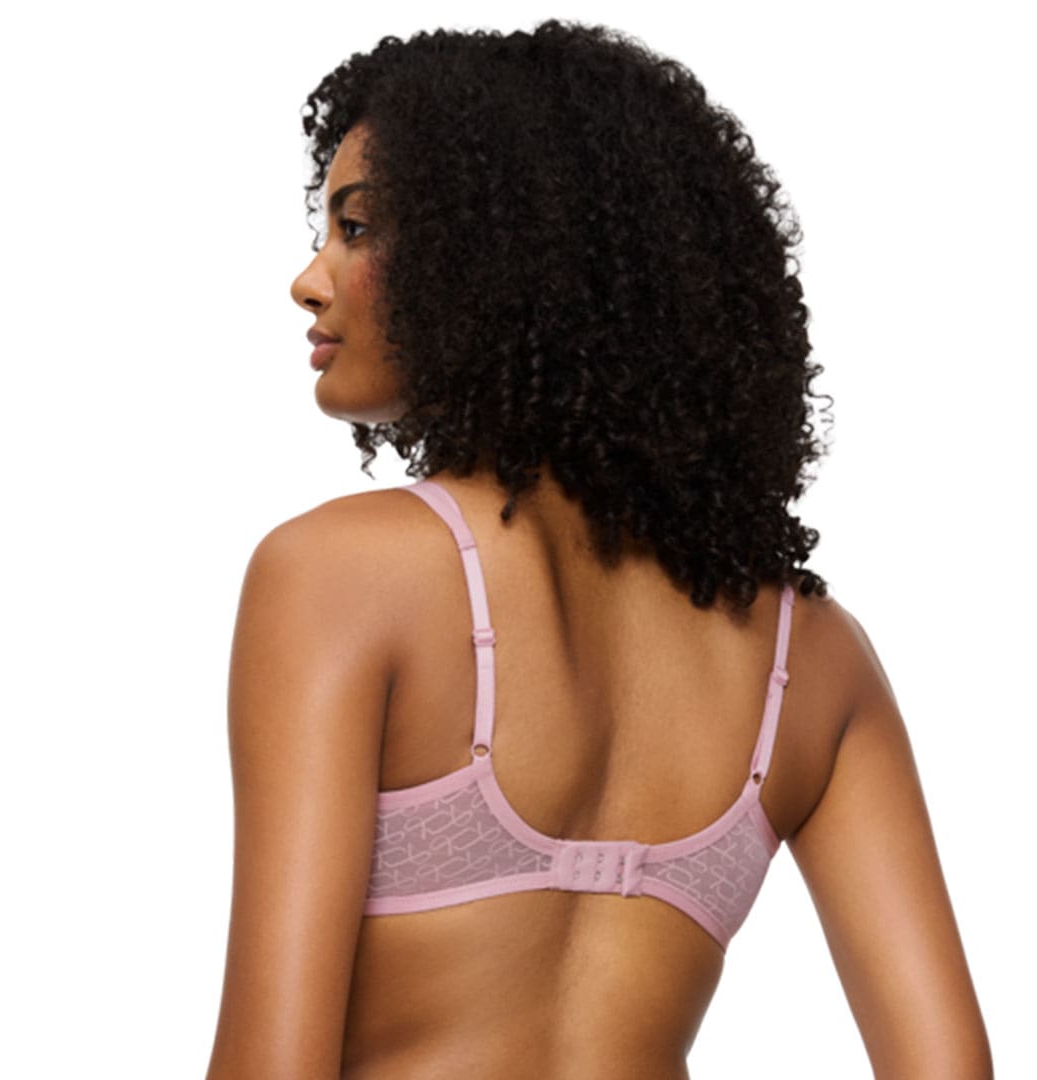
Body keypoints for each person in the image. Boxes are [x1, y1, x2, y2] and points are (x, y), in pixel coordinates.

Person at [205, 20, 991, 1079]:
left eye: (357, 228)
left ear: (496, 253)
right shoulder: (815, 663)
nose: (311, 280)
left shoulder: (339, 574)